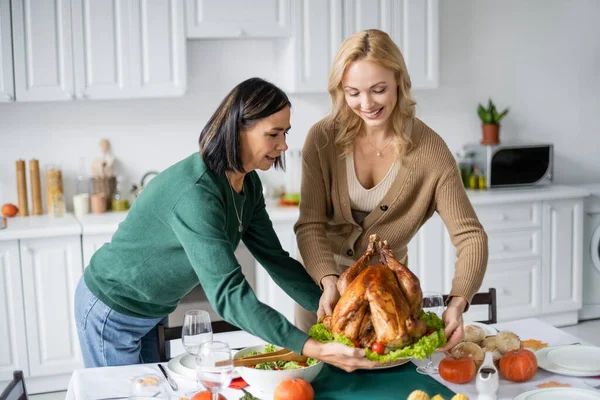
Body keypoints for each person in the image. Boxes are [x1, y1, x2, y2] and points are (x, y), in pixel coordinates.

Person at [74, 77, 377, 371]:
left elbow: (275, 259)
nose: (284, 145)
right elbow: (228, 295)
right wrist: (312, 347)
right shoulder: (196, 194)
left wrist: (330, 307)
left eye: (286, 133)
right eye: (273, 134)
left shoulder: (249, 184)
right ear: (238, 130)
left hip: (152, 311)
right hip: (111, 310)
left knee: (156, 393)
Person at [294, 30, 488, 352]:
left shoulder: (430, 151)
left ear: (400, 80)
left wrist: (457, 303)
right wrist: (328, 281)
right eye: (353, 92)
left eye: (379, 90)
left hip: (387, 299)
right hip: (320, 289)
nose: (366, 104)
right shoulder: (322, 139)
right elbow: (310, 224)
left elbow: (471, 236)